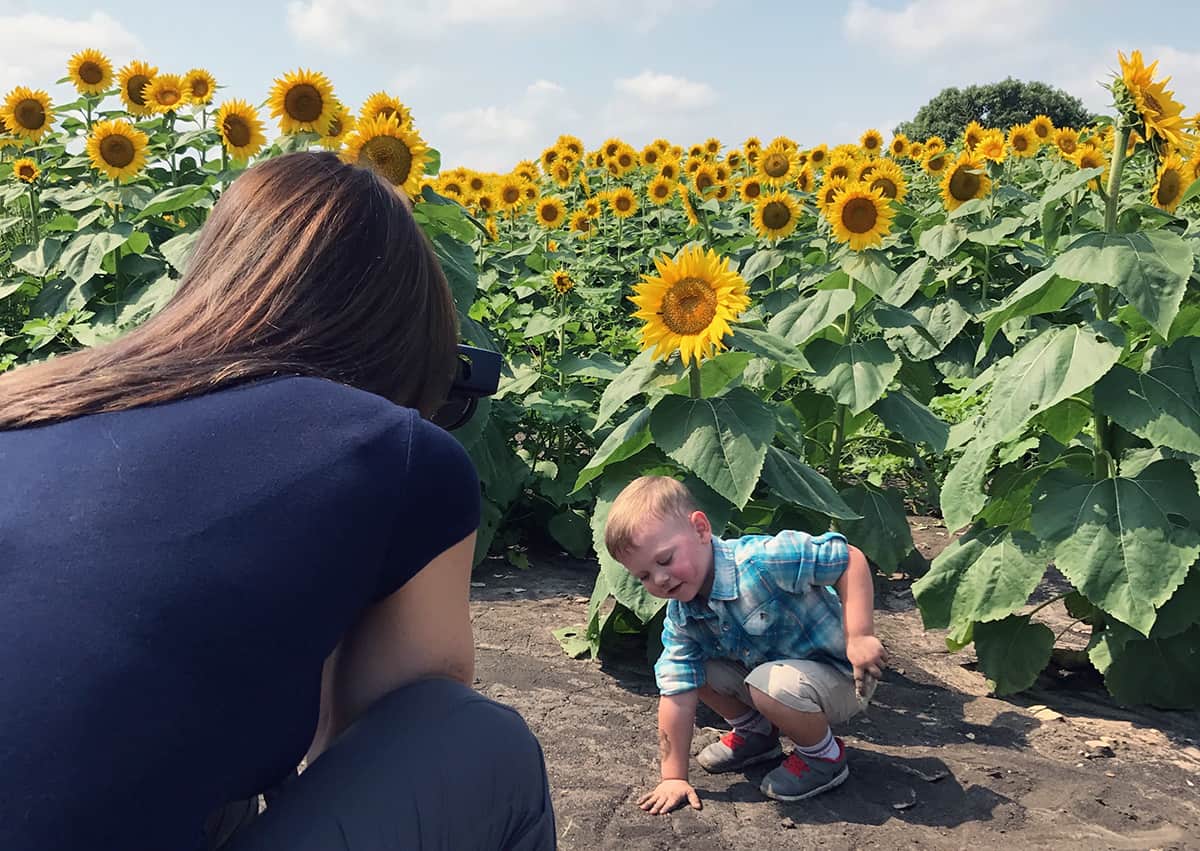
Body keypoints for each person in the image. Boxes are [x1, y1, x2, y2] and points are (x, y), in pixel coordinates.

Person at [0, 151, 556, 850]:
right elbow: (375, 732)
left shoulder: (33, 400)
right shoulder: (393, 447)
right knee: (479, 743)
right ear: (405, 345)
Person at [604, 475, 887, 814]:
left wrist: (860, 635)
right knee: (693, 670)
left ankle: (824, 757)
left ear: (700, 529)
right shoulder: (683, 615)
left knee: (769, 684)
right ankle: (756, 734)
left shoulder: (763, 560)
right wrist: (673, 777)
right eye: (644, 576)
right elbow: (675, 692)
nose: (660, 579)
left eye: (664, 560)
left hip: (843, 677)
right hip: (774, 681)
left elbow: (848, 559)